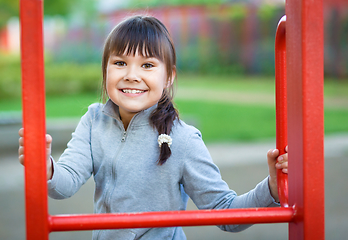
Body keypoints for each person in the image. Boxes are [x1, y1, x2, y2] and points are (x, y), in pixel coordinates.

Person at [18, 15, 288, 240]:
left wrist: (272, 189)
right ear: (106, 71)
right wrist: (46, 166)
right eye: (120, 63)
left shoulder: (182, 139)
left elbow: (226, 213)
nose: (131, 75)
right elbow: (63, 186)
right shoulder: (94, 121)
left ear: (168, 76)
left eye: (147, 65)